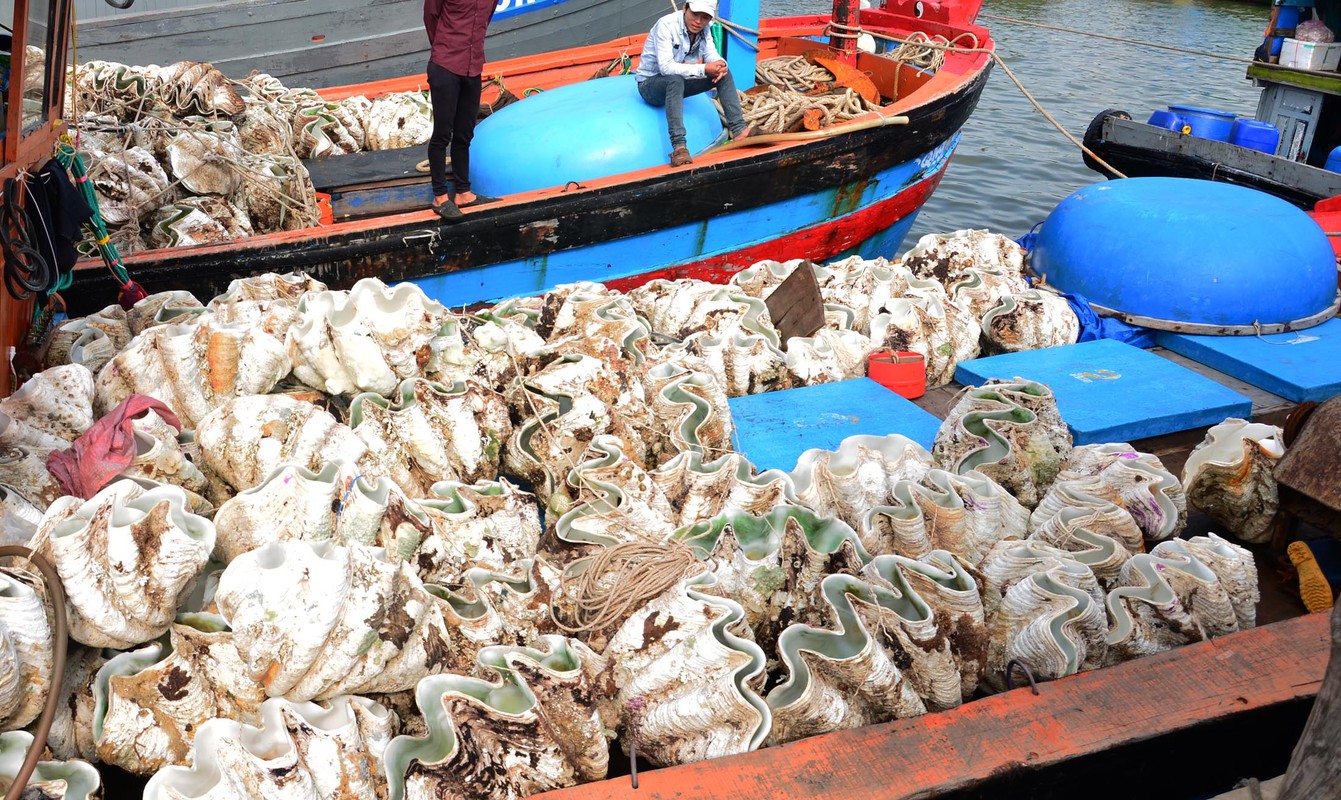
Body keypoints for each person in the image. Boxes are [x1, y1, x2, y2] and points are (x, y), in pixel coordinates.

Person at [635, 0, 757, 168]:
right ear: (685, 8)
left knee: (724, 73)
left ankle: (740, 130)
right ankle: (679, 147)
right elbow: (666, 68)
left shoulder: (704, 29)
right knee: (675, 79)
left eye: (705, 17)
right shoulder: (666, 25)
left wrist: (720, 65)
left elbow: (711, 54)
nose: (698, 21)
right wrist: (705, 69)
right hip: (650, 85)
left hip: (678, 81)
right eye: (695, 14)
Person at [424, 0, 503, 222]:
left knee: (464, 133)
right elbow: (431, 16)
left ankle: (463, 193)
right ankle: (440, 197)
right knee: (442, 134)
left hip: (473, 66)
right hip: (446, 64)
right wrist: (444, 48)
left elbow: (483, 20)